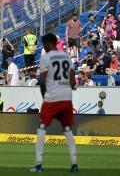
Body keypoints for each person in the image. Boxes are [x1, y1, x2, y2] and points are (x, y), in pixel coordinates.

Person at [31, 33, 78, 173]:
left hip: (52, 97)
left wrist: (45, 97)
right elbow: (72, 80)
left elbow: (43, 80)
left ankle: (38, 164)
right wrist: (66, 89)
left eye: (44, 43)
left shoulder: (45, 58)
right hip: (66, 96)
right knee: (67, 129)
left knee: (42, 126)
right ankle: (74, 164)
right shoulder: (66, 56)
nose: (44, 46)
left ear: (48, 43)